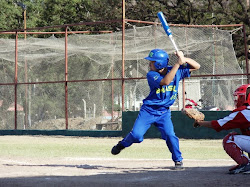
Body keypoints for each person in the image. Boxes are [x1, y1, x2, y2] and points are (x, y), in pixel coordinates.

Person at [111, 48, 200, 168]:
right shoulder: (152, 74)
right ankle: (122, 144)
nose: (149, 64)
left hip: (164, 112)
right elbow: (166, 81)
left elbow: (197, 66)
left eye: (152, 62)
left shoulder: (176, 71)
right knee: (137, 136)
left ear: (159, 63)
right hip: (148, 110)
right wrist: (178, 64)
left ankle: (178, 160)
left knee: (170, 135)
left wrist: (184, 59)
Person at [195, 84, 250, 174]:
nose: (236, 100)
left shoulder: (244, 112)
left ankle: (246, 165)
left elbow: (219, 125)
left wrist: (200, 122)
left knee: (230, 139)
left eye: (239, 96)